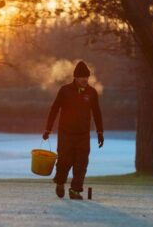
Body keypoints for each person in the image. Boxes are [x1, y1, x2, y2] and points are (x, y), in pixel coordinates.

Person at [42, 61, 104, 200]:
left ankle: (75, 190)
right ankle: (60, 182)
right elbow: (54, 109)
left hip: (83, 135)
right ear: (75, 77)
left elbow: (97, 113)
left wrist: (100, 132)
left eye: (87, 77)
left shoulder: (92, 92)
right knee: (64, 161)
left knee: (81, 163)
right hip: (66, 133)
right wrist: (48, 129)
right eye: (82, 77)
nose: (85, 80)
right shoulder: (65, 91)